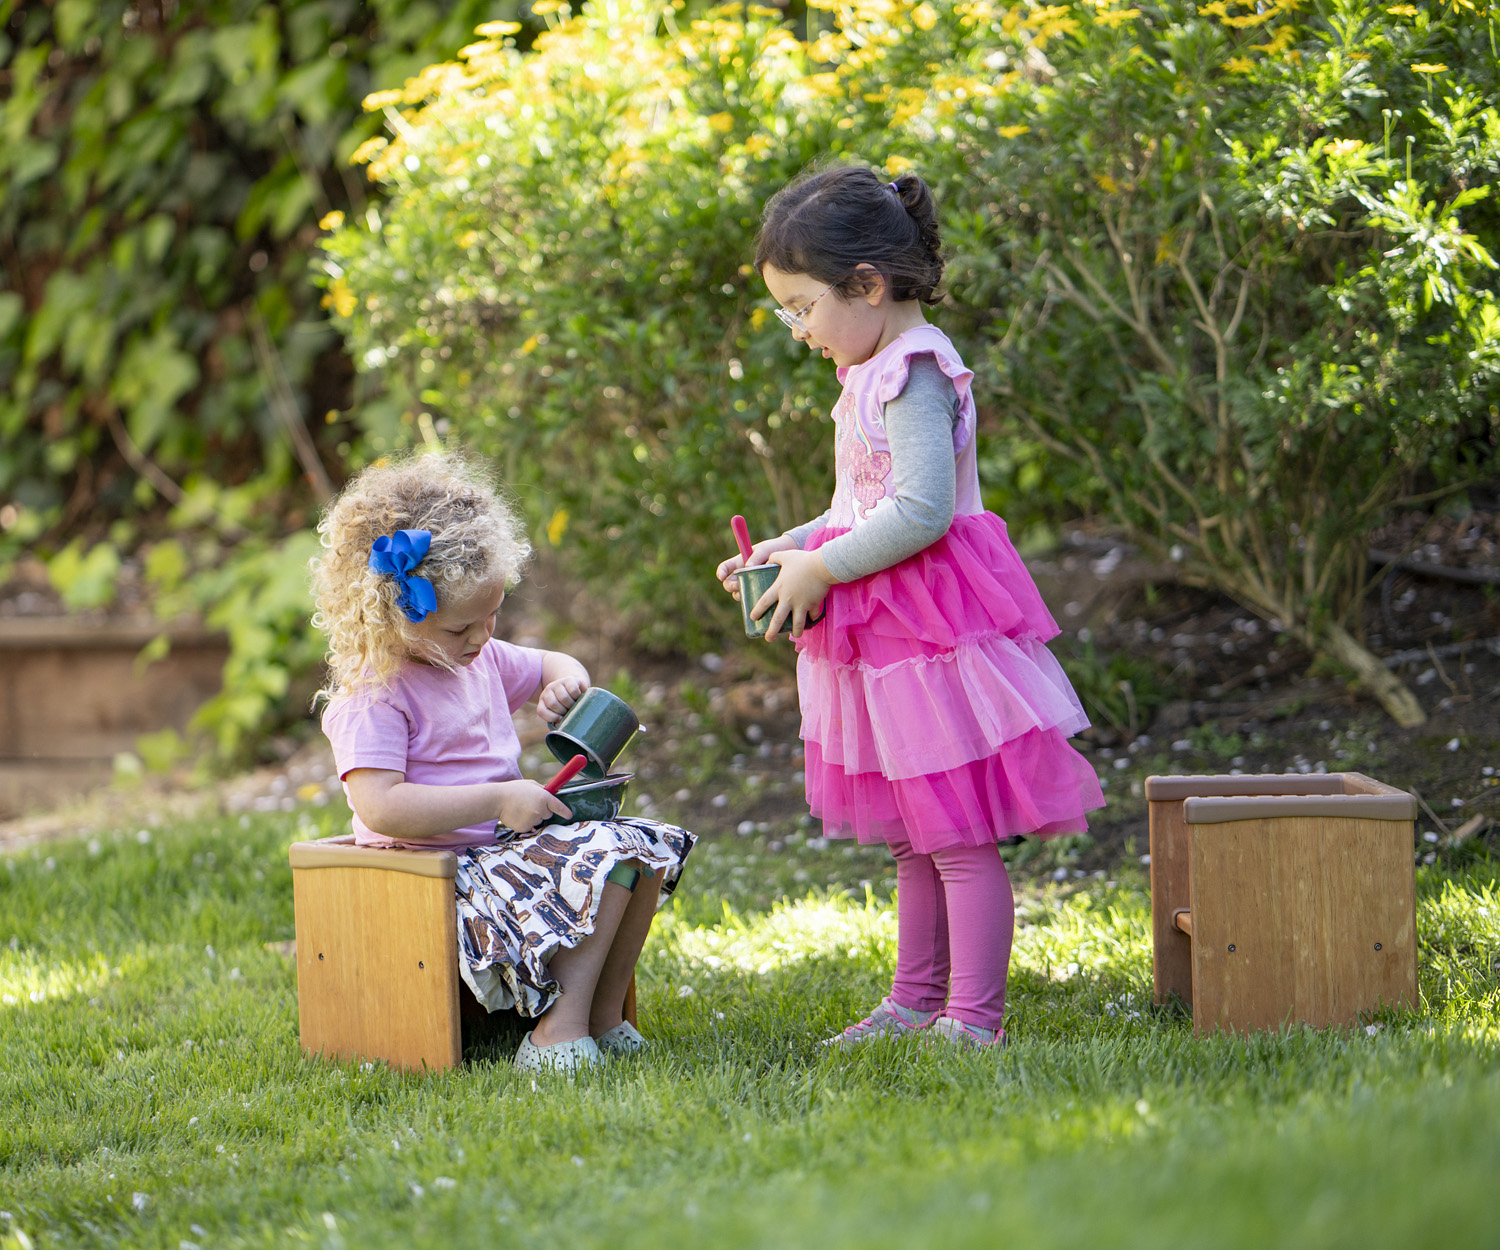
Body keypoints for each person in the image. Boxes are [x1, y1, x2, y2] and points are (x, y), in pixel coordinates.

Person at [716, 164, 1104, 1049]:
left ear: (868, 285)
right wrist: (793, 547)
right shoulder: (868, 369)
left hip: (931, 629)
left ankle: (974, 1017)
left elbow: (924, 510)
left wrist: (825, 571)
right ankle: (914, 999)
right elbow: (860, 503)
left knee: (957, 834)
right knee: (914, 835)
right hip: (882, 632)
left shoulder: (916, 373)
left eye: (802, 308)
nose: (796, 329)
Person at [313, 452, 694, 1073]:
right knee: (596, 860)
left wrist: (564, 687)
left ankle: (603, 1016)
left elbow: (554, 663)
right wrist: (498, 799)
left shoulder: (478, 656)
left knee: (638, 853)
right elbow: (380, 807)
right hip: (440, 877)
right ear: (393, 616)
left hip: (501, 856)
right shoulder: (375, 693)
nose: (482, 636)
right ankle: (554, 1035)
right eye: (463, 626)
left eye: (493, 615)